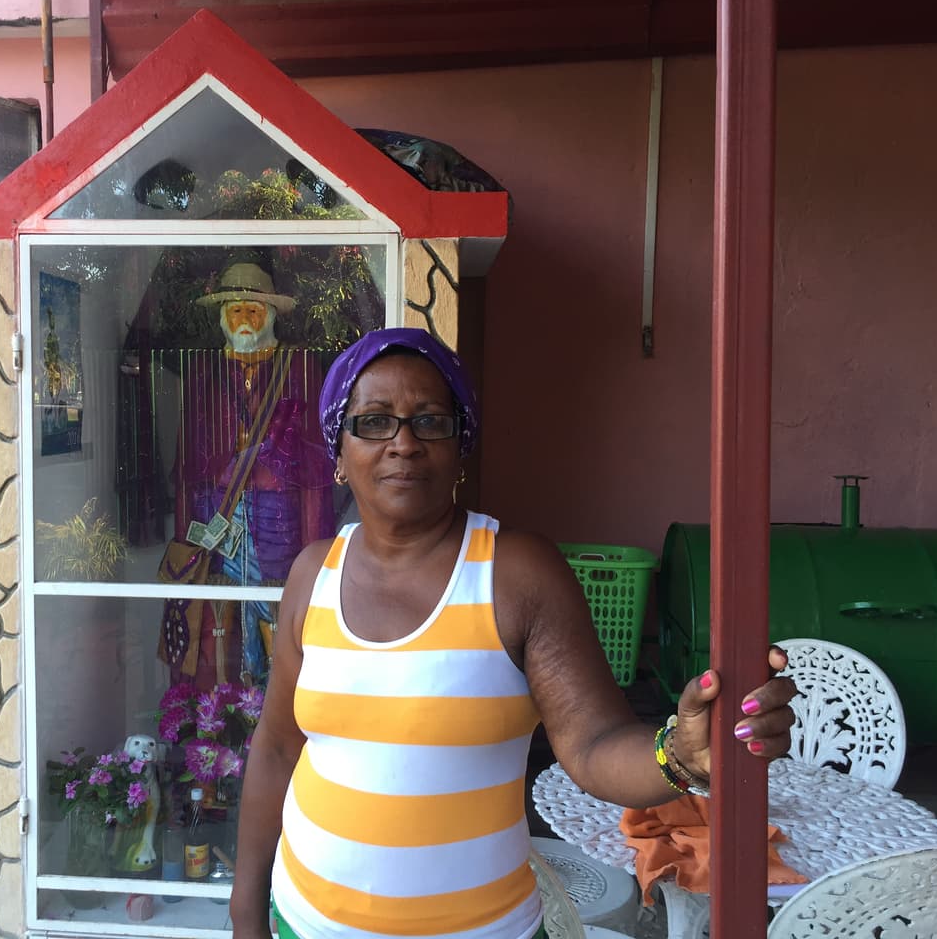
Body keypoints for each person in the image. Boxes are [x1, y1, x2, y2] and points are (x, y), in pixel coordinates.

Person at [230, 328, 798, 939]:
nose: (403, 443)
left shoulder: (517, 574)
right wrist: (245, 909)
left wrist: (679, 754)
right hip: (304, 921)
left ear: (461, 447)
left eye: (430, 421)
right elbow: (278, 748)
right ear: (338, 455)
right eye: (373, 422)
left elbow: (592, 744)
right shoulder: (313, 574)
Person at [164, 262, 335, 688]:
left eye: (253, 311)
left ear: (270, 315)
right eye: (236, 311)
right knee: (220, 605)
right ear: (224, 317)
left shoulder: (297, 367)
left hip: (278, 511)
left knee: (275, 599)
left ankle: (274, 693)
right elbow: (189, 454)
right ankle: (226, 698)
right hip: (216, 508)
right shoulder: (203, 373)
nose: (244, 321)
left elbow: (315, 456)